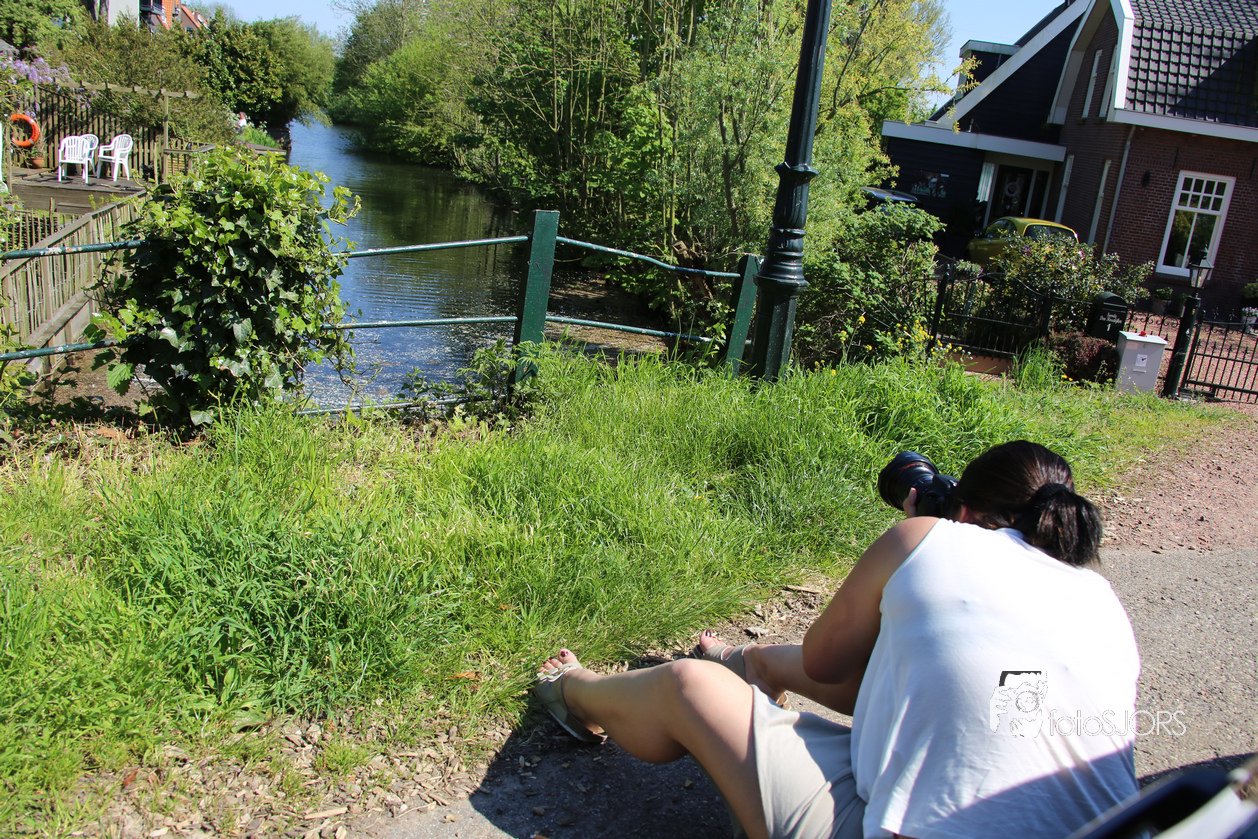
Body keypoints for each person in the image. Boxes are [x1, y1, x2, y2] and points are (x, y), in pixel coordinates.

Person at [534, 440, 1140, 839]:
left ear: (963, 511)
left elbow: (826, 664)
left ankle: (573, 691)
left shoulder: (927, 538)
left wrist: (914, 538)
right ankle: (750, 666)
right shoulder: (1102, 600)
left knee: (688, 685)